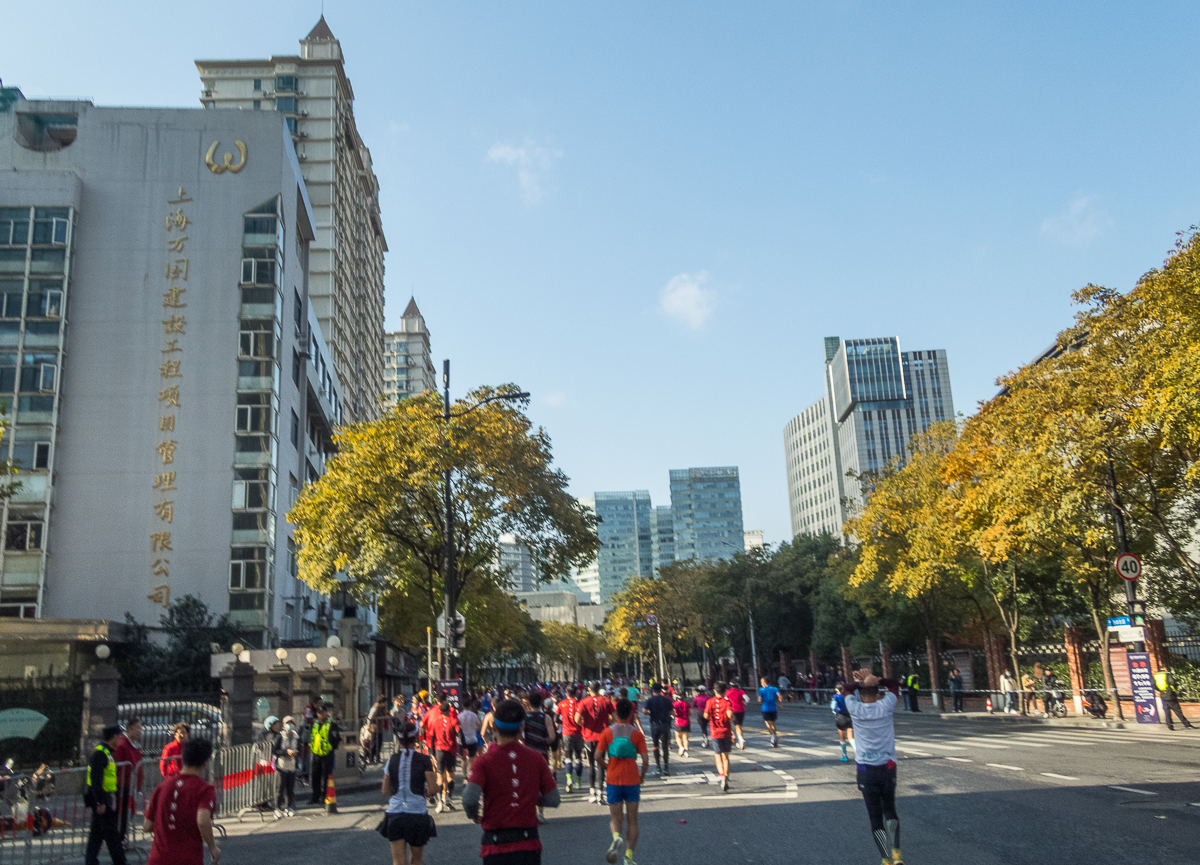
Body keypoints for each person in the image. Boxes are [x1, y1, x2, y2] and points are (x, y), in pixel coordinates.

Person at [462, 699, 560, 865]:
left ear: (494, 727)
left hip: (495, 843)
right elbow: (553, 799)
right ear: (522, 727)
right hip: (528, 842)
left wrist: (473, 815)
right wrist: (529, 796)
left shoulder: (484, 761)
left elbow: (469, 798)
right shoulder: (537, 758)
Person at [845, 672, 904, 865]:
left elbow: (846, 689)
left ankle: (885, 859)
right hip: (888, 767)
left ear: (861, 696)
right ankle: (897, 855)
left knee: (875, 816)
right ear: (878, 693)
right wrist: (877, 680)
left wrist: (860, 682)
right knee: (890, 810)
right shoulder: (886, 706)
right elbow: (895, 685)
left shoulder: (855, 709)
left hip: (865, 770)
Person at [143, 737, 218, 865]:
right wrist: (212, 848)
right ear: (205, 762)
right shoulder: (204, 789)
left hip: (157, 858)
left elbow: (147, 826)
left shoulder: (162, 786)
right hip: (187, 858)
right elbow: (202, 820)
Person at [379, 720, 437, 865]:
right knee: (416, 860)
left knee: (398, 861)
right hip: (417, 813)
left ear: (399, 740)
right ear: (416, 738)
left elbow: (385, 790)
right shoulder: (424, 760)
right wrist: (427, 792)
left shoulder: (391, 760)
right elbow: (433, 789)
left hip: (395, 814)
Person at [598, 699, 649, 865]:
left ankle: (616, 838)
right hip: (632, 778)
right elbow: (646, 759)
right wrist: (642, 775)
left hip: (613, 778)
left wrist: (607, 766)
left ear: (615, 713)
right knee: (633, 820)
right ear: (630, 714)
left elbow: (597, 757)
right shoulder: (636, 734)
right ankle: (628, 857)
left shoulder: (607, 732)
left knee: (615, 818)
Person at [85, 726, 127, 865]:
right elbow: (96, 780)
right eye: (119, 736)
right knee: (112, 837)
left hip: (104, 799)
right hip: (102, 801)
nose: (121, 739)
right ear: (114, 737)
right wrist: (100, 802)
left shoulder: (105, 752)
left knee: (96, 837)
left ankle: (91, 862)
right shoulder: (101, 754)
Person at [576, 681, 614, 804]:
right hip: (602, 737)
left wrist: (584, 724)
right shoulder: (606, 701)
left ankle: (592, 793)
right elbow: (614, 717)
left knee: (591, 764)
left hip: (588, 736)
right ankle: (600, 794)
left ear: (589, 690)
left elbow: (576, 719)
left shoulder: (583, 702)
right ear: (599, 689)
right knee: (601, 764)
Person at [521, 691, 557, 822]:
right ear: (541, 703)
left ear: (529, 703)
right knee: (540, 782)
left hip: (528, 753)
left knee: (528, 781)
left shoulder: (525, 717)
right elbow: (552, 737)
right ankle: (541, 813)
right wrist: (544, 741)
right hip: (542, 754)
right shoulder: (546, 717)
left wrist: (525, 742)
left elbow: (520, 735)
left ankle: (529, 811)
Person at [425, 692, 461, 813]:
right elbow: (459, 734)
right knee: (451, 775)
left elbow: (431, 737)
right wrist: (461, 748)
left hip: (439, 750)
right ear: (448, 710)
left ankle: (439, 801)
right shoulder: (453, 721)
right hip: (451, 750)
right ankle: (449, 797)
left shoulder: (435, 722)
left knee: (439, 776)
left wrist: (432, 753)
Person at [113, 717, 143, 844]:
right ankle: (117, 839)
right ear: (130, 729)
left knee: (127, 813)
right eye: (138, 728)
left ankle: (121, 838)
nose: (140, 731)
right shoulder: (122, 744)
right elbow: (115, 766)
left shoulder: (133, 743)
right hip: (122, 786)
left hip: (130, 786)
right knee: (121, 813)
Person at [703, 682, 735, 792]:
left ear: (714, 691)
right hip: (726, 732)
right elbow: (730, 715)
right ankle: (727, 776)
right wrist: (733, 718)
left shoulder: (709, 702)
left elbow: (706, 715)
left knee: (717, 756)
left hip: (715, 732)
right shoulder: (727, 702)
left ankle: (722, 776)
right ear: (724, 691)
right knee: (726, 757)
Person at [309, 704, 341, 805]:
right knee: (315, 777)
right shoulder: (315, 724)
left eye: (322, 712)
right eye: (318, 713)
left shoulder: (332, 724)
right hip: (317, 754)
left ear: (326, 713)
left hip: (327, 755)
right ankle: (315, 797)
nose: (320, 715)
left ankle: (325, 797)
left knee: (327, 777)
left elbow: (336, 739)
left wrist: (331, 748)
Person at [640, 684, 674, 776]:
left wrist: (649, 713)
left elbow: (643, 711)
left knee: (655, 746)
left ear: (652, 690)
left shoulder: (650, 701)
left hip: (655, 725)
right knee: (665, 746)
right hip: (664, 725)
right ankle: (666, 767)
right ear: (661, 690)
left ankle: (658, 766)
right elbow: (672, 712)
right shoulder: (667, 700)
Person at [559, 684, 584, 793]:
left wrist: (564, 721)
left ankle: (569, 779)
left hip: (566, 733)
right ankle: (578, 782)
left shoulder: (561, 703)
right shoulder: (580, 703)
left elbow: (556, 718)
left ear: (566, 694)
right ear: (576, 693)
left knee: (568, 757)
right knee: (578, 757)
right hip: (579, 733)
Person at [274, 715, 300, 816]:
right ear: (283, 725)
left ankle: (290, 807)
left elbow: (300, 749)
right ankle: (278, 808)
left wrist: (296, 753)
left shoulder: (296, 737)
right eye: (287, 723)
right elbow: (275, 751)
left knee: (290, 788)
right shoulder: (280, 737)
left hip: (292, 766)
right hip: (282, 766)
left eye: (291, 723)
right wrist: (286, 752)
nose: (290, 725)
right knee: (281, 788)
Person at [831, 682, 855, 762]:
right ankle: (858, 752)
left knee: (843, 738)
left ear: (837, 689)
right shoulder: (847, 696)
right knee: (851, 737)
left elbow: (833, 706)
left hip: (841, 717)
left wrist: (834, 711)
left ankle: (844, 755)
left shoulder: (836, 696)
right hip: (849, 717)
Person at [459, 699, 482, 777]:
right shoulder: (474, 715)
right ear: (470, 706)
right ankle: (470, 776)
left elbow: (458, 728)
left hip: (462, 741)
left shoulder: (459, 716)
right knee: (471, 760)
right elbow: (479, 726)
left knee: (463, 759)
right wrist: (473, 728)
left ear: (463, 706)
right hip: (472, 739)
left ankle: (464, 776)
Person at [758, 676, 781, 747]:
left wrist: (760, 700)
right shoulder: (774, 688)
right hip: (773, 708)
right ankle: (775, 736)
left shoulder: (761, 689)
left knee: (768, 724)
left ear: (765, 682)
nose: (761, 683)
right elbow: (780, 696)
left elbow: (759, 699)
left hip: (766, 709)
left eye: (761, 682)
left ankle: (773, 738)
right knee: (773, 724)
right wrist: (780, 704)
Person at [725, 680, 748, 749]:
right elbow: (747, 699)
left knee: (732, 724)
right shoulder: (741, 691)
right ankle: (739, 738)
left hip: (733, 710)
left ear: (730, 685)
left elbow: (725, 700)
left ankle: (738, 738)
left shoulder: (728, 692)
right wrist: (744, 703)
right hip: (741, 710)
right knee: (739, 725)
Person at [671, 690, 691, 757]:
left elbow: (673, 713)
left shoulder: (674, 704)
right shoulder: (687, 704)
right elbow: (691, 713)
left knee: (678, 737)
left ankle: (681, 747)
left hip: (678, 722)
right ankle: (686, 751)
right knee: (685, 738)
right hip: (687, 722)